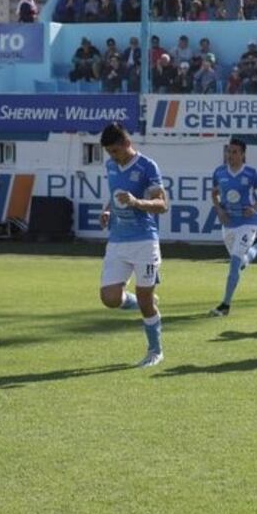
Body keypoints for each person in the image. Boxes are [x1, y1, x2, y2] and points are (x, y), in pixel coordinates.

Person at [98, 123, 169, 368]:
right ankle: (142, 300)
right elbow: (115, 194)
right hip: (118, 240)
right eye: (109, 153)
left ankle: (155, 351)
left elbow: (162, 204)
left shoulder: (147, 166)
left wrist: (137, 202)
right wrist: (107, 210)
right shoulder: (110, 165)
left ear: (127, 144)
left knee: (146, 300)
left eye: (116, 151)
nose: (113, 157)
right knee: (108, 298)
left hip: (144, 241)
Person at [208, 138, 257, 317]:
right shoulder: (219, 172)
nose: (231, 155)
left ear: (243, 154)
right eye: (229, 151)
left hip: (248, 223)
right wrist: (219, 210)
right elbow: (214, 194)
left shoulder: (252, 173)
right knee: (240, 264)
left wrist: (254, 208)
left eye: (235, 152)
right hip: (229, 223)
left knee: (235, 262)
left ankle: (225, 305)